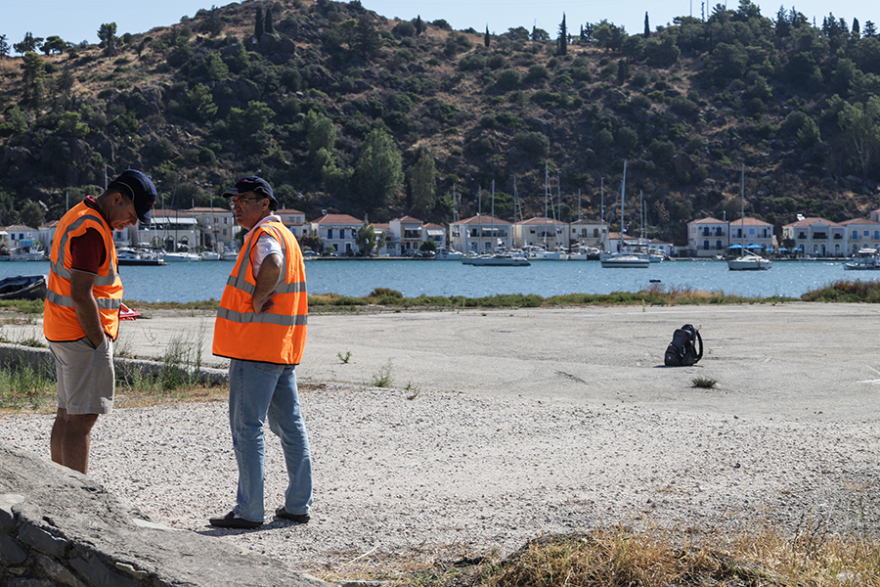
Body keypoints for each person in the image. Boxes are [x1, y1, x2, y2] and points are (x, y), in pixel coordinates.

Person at [209, 176, 312, 530]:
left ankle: (249, 510)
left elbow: (272, 264)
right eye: (233, 200)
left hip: (256, 347)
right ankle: (298, 505)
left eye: (244, 200)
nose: (236, 205)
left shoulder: (265, 237)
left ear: (264, 203)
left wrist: (255, 299)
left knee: (246, 427)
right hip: (283, 347)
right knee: (290, 428)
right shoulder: (288, 235)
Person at [43, 169, 156, 474]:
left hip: (61, 328)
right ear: (117, 198)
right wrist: (98, 341)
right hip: (82, 335)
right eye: (132, 215)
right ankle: (78, 503)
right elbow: (81, 294)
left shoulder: (80, 214)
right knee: (81, 422)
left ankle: (60, 493)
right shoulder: (92, 230)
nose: (132, 223)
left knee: (67, 415)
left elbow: (87, 287)